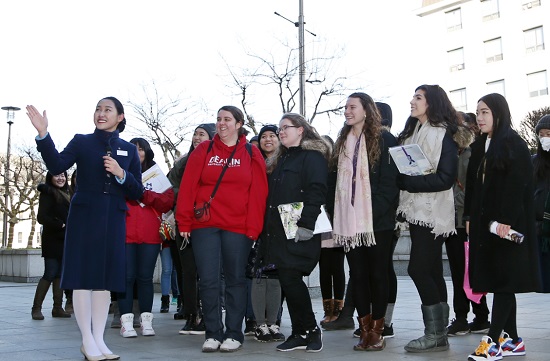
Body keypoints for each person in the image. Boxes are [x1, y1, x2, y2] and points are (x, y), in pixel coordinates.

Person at [26, 97, 143, 361]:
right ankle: (86, 339)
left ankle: (99, 340)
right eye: (98, 109)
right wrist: (43, 134)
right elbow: (57, 166)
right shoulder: (82, 141)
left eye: (108, 110)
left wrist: (121, 174)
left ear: (120, 117)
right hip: (84, 216)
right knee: (82, 277)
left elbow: (137, 192)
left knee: (104, 281)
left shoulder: (128, 150)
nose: (101, 114)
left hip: (113, 217)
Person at [176, 107, 268, 352]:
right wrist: (184, 221)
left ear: (239, 124)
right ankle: (213, 333)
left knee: (236, 280)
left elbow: (258, 194)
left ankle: (234, 333)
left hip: (238, 227)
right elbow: (187, 187)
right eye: (218, 119)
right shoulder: (203, 151)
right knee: (208, 280)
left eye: (227, 119)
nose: (221, 123)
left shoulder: (251, 152)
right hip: (205, 225)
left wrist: (253, 228)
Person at [464, 93, 541, 361]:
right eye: (477, 112)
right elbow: (476, 190)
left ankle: (493, 340)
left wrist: (504, 221)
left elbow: (516, 187)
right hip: (490, 228)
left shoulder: (512, 144)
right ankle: (514, 341)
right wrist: (470, 219)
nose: (479, 117)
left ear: (498, 113)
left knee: (504, 284)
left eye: (485, 112)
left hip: (507, 228)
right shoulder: (483, 144)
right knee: (501, 282)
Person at [329, 93, 399, 351]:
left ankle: (379, 331)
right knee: (357, 276)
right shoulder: (342, 141)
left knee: (378, 274)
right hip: (349, 222)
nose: (347, 111)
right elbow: (334, 181)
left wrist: (374, 212)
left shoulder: (385, 139)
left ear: (367, 110)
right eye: (345, 107)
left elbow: (391, 182)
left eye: (352, 107)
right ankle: (364, 328)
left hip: (376, 222)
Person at [396, 84, 459, 353]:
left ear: (431, 103)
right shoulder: (412, 133)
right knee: (432, 270)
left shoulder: (443, 134)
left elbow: (446, 178)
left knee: (418, 269)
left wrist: (410, 184)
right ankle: (439, 334)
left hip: (433, 213)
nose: (412, 101)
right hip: (415, 210)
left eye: (418, 98)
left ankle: (434, 333)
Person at [259, 113, 329, 353]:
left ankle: (309, 330)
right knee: (288, 280)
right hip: (278, 232)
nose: (280, 132)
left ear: (301, 130)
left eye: (284, 127)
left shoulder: (313, 157)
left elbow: (317, 191)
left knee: (290, 279)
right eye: (279, 128)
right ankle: (302, 332)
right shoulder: (281, 160)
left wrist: (307, 224)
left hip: (300, 229)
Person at [117, 138, 174, 338]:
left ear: (147, 152)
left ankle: (146, 321)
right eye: (134, 149)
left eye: (141, 149)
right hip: (125, 232)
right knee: (126, 277)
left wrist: (144, 195)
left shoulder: (156, 174)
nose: (138, 152)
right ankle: (125, 321)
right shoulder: (119, 172)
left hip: (150, 234)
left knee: (145, 278)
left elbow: (167, 202)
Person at [445, 113, 491, 337]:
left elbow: (470, 188)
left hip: (465, 220)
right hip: (451, 219)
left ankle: (476, 316)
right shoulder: (449, 151)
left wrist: (466, 214)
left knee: (468, 270)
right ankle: (467, 316)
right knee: (458, 271)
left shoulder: (469, 152)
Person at [168, 123, 215, 334]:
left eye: (202, 134)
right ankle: (191, 314)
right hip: (184, 221)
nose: (197, 138)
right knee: (187, 271)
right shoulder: (183, 163)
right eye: (195, 134)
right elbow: (170, 189)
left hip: (208, 222)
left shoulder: (216, 161)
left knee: (207, 272)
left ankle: (207, 315)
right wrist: (187, 193)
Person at [32, 171, 72, 320]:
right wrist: (60, 224)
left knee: (59, 275)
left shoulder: (66, 193)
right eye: (57, 175)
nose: (61, 178)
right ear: (50, 177)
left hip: (64, 240)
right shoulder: (48, 192)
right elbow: (42, 217)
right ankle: (36, 308)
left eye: (63, 175)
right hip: (52, 239)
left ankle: (57, 308)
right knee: (50, 273)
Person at [318, 134, 346, 327]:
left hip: (337, 222)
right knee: (324, 268)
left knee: (337, 267)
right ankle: (327, 309)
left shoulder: (337, 170)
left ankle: (339, 309)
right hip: (319, 224)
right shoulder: (315, 170)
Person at [533, 114, 550, 293]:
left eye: (549, 134)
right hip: (538, 229)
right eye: (542, 134)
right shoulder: (534, 162)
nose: (545, 138)